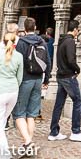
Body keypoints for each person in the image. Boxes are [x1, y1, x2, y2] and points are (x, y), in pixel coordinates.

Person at [13, 18, 51, 154]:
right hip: (37, 80)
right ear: (35, 27)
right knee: (31, 114)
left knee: (19, 112)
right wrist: (46, 79)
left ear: (24, 28)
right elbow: (48, 61)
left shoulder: (21, 42)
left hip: (25, 80)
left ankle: (28, 142)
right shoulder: (42, 41)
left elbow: (16, 63)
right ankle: (27, 143)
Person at [48, 20, 81, 142]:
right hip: (68, 76)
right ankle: (76, 131)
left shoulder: (61, 40)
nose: (78, 32)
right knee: (77, 101)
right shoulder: (70, 41)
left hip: (60, 76)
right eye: (78, 30)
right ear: (75, 29)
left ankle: (54, 132)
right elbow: (71, 60)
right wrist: (77, 69)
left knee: (58, 104)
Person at [0, 22, 20, 132]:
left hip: (1, 80)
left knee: (1, 104)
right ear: (16, 31)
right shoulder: (18, 41)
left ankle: (1, 122)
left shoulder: (2, 43)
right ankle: (7, 121)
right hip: (12, 80)